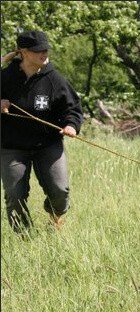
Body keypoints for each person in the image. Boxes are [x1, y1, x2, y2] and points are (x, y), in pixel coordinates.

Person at [1, 30, 83, 233]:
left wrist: (71, 125)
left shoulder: (55, 80)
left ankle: (55, 217)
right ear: (23, 52)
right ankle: (25, 240)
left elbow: (72, 108)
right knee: (14, 196)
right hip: (12, 147)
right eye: (38, 50)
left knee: (60, 192)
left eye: (45, 50)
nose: (44, 54)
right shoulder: (5, 77)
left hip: (48, 145)